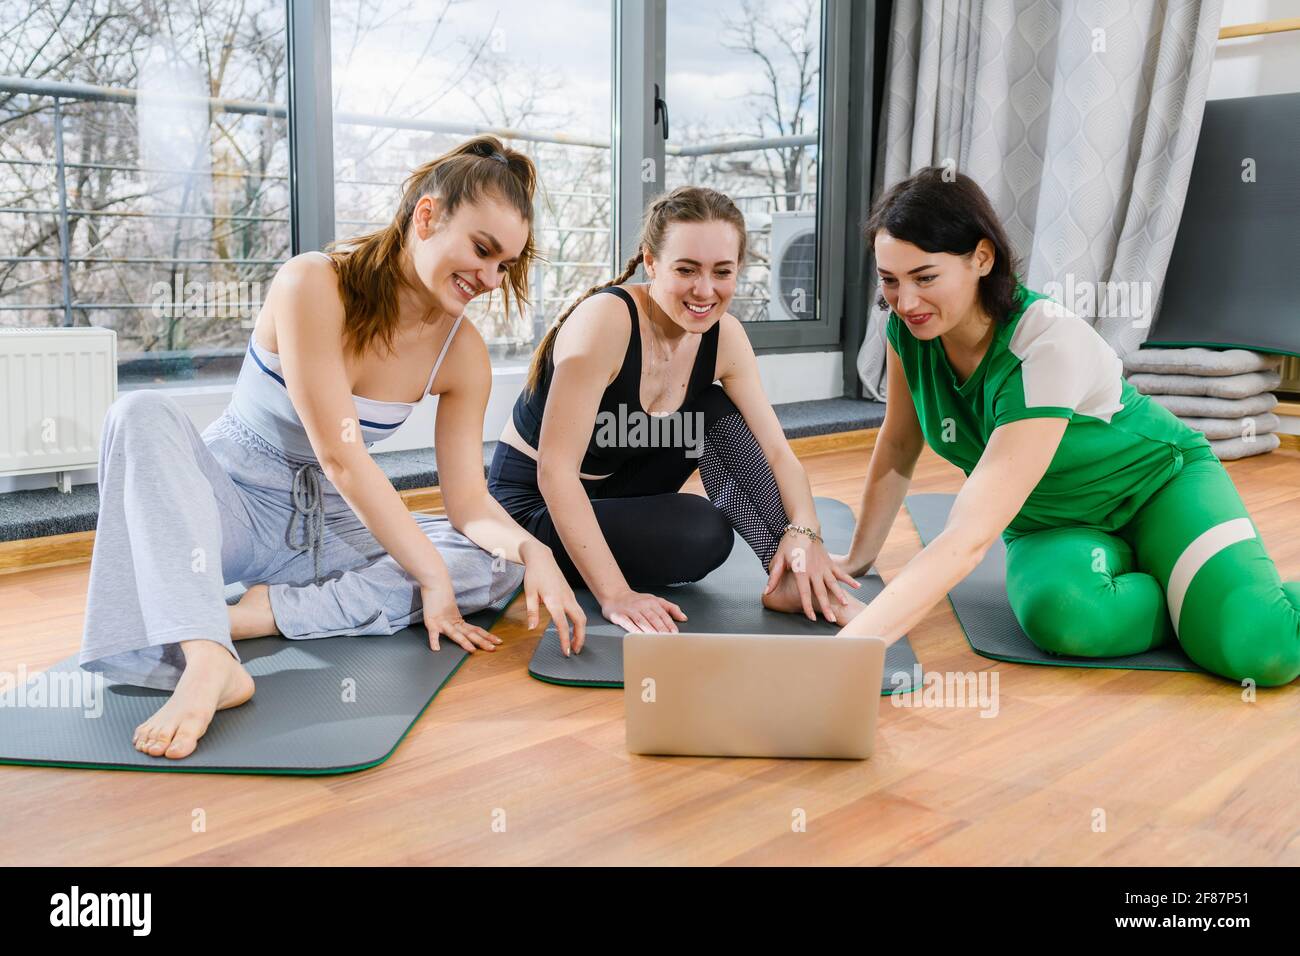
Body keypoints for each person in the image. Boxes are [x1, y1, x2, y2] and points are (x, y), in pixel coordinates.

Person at [79, 135, 586, 760]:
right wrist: (428, 578)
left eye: (504, 264)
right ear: (426, 217)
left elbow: (470, 505)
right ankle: (210, 658)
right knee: (138, 412)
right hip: (234, 508)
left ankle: (255, 616)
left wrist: (533, 550)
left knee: (492, 563)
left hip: (331, 529)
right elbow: (341, 455)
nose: (488, 278)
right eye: (482, 250)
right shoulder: (311, 282)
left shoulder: (464, 352)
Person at [833, 166, 1300, 687]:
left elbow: (967, 537)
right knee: (1067, 618)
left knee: (1261, 647)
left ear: (981, 259)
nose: (906, 301)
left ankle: (1224, 596)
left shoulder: (1045, 343)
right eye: (890, 280)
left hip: (1159, 489)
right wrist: (857, 559)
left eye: (925, 277)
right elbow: (898, 443)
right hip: (1051, 522)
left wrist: (856, 646)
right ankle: (1194, 593)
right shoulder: (908, 331)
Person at [488, 185, 863, 635]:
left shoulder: (725, 337)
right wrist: (615, 594)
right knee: (702, 532)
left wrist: (805, 533)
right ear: (651, 262)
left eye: (722, 272)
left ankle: (786, 580)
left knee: (712, 406)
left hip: (613, 490)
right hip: (533, 507)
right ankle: (589, 566)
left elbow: (778, 453)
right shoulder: (604, 323)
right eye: (686, 270)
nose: (705, 290)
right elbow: (555, 472)